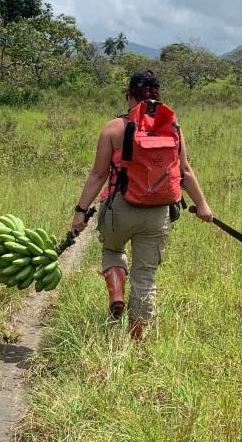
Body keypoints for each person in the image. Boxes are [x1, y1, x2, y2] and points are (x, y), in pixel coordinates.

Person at [71, 69, 213, 341]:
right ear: (157, 94)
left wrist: (80, 211)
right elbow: (184, 170)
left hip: (120, 209)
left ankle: (116, 292)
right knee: (145, 279)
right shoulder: (172, 126)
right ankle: (136, 341)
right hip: (158, 213)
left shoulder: (114, 127)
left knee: (112, 249)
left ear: (129, 94)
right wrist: (203, 205)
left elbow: (99, 174)